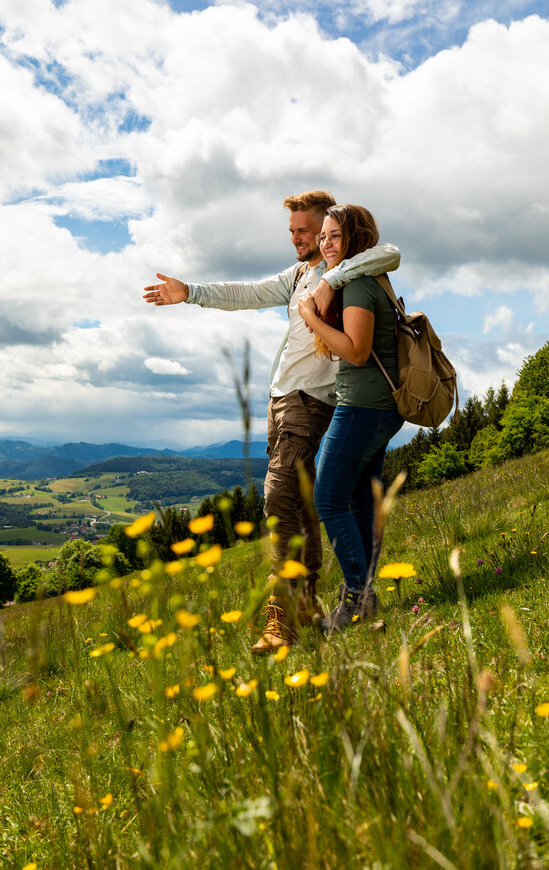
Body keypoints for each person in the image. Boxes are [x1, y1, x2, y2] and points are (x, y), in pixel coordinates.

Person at [143, 191, 400, 653]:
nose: (301, 240)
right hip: (279, 400)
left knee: (278, 498)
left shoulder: (351, 268)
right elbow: (249, 293)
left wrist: (335, 272)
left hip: (311, 400)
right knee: (300, 508)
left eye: (310, 231)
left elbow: (389, 252)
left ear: (332, 230)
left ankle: (281, 619)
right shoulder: (301, 273)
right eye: (296, 232)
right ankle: (308, 606)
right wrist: (191, 293)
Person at [297, 204, 404, 633]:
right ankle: (362, 597)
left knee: (327, 500)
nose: (325, 243)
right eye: (323, 236)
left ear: (356, 238)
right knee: (359, 500)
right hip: (379, 407)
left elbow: (357, 351)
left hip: (363, 406)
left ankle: (356, 598)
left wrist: (309, 317)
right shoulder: (364, 279)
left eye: (335, 235)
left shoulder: (358, 285)